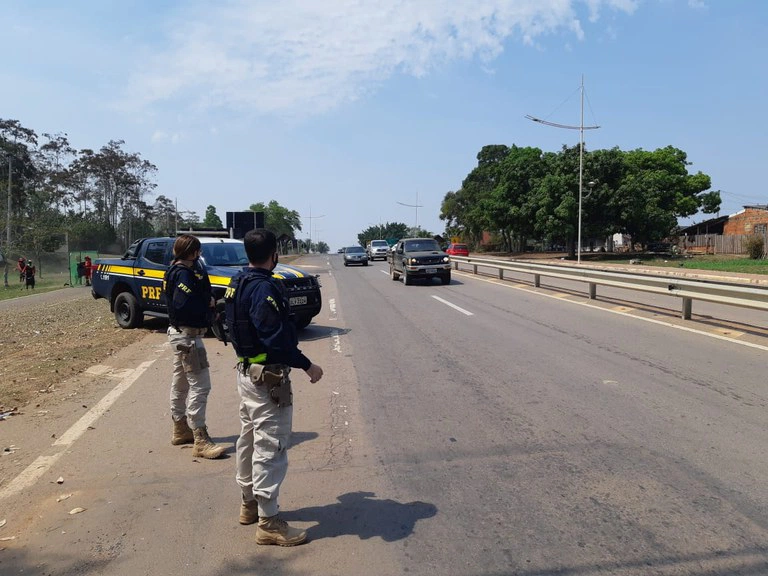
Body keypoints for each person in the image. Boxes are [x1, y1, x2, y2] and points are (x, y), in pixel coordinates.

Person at [225, 228, 323, 547]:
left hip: (246, 372)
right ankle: (268, 521)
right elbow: (277, 341)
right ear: (274, 254)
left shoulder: (237, 282)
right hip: (267, 378)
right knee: (271, 446)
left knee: (249, 440)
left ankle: (248, 504)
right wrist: (308, 365)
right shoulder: (264, 288)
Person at [163, 234, 225, 459]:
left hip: (181, 335)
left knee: (180, 382)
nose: (199, 255)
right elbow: (183, 305)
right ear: (192, 252)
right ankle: (200, 437)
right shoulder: (183, 274)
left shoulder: (177, 270)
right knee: (201, 385)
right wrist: (206, 303)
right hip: (188, 337)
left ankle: (180, 428)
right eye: (197, 251)